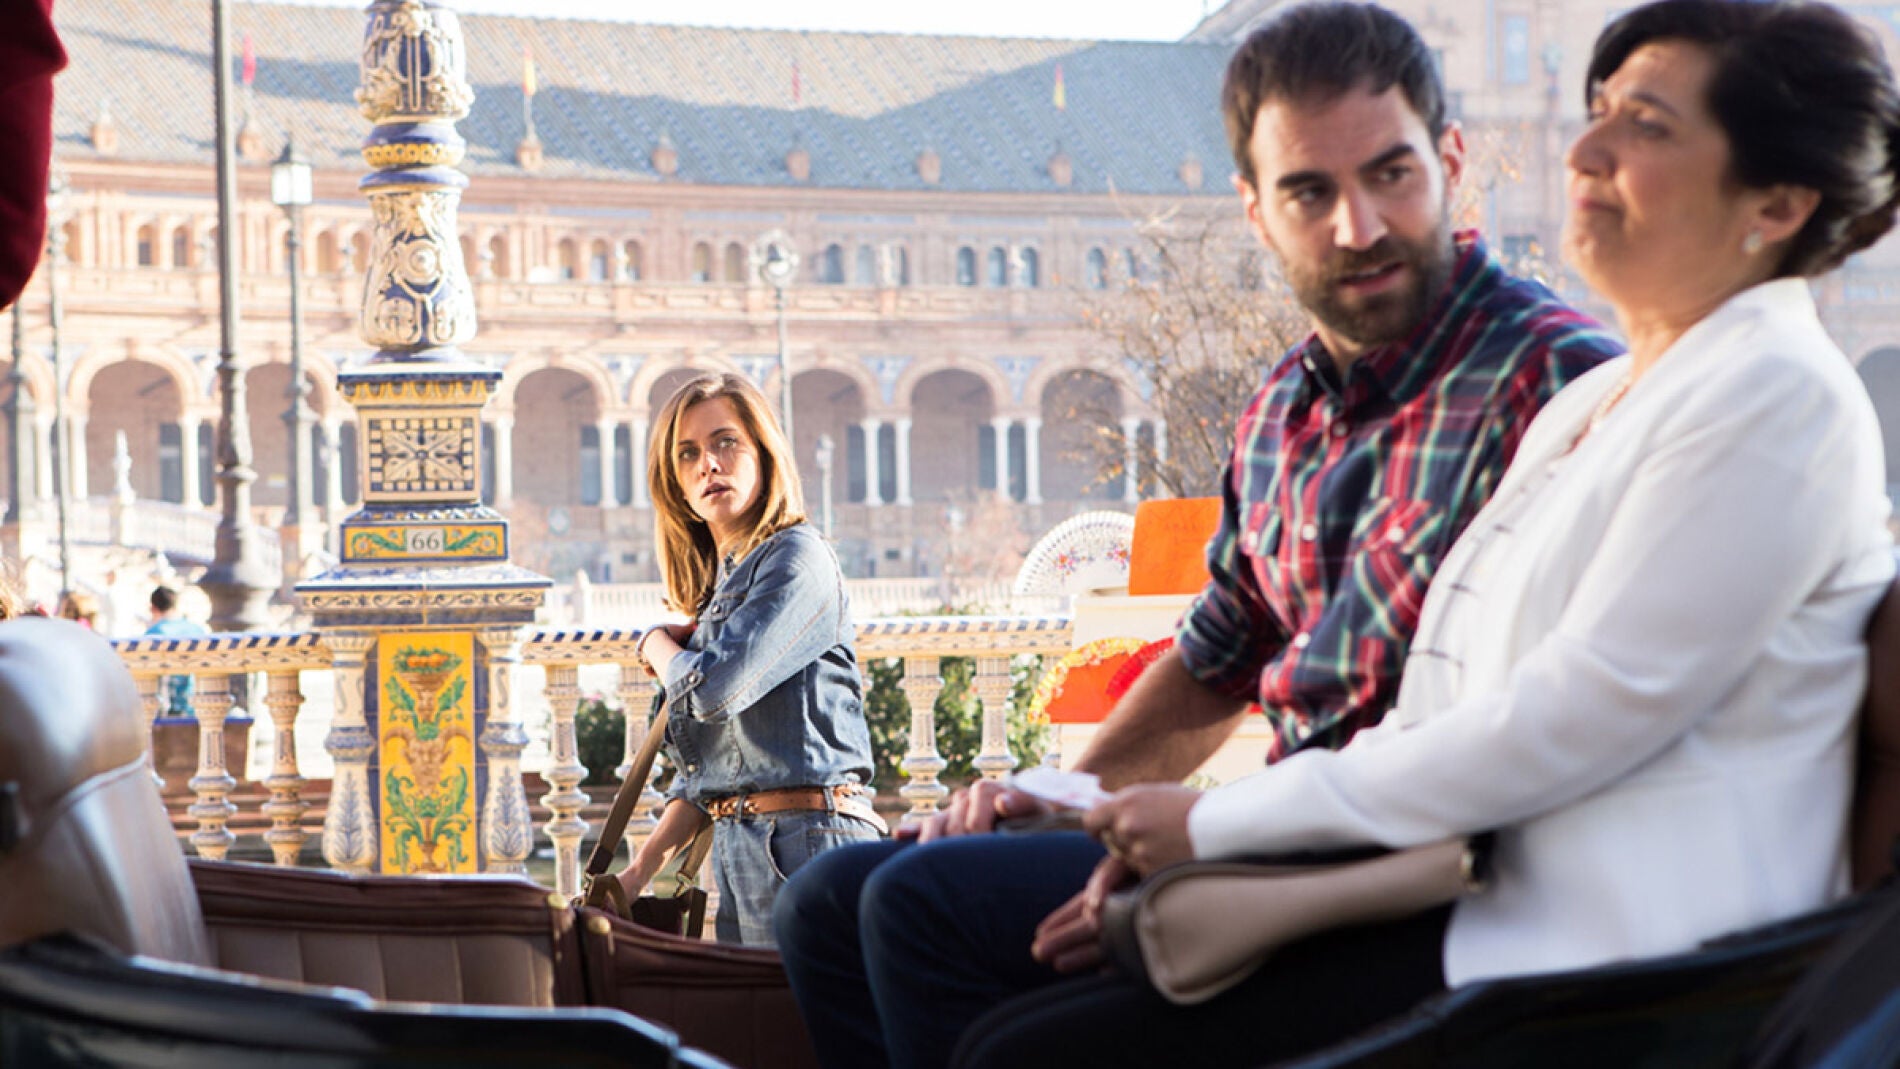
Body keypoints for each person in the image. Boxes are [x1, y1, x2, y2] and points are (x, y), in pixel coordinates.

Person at [949, 0, 1899, 1065]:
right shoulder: (1600, 403)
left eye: (1644, 124)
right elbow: (1444, 695)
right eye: (1597, 111)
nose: (1581, 149)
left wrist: (1211, 829)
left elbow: (1567, 718)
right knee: (1004, 1023)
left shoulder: (1775, 395)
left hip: (1634, 987)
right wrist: (1176, 821)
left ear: (1773, 203)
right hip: (1492, 929)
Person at [772, 6, 1620, 1067]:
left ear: (1451, 164)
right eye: (1310, 191)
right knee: (823, 900)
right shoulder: (1281, 412)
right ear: (1256, 211)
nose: (1357, 224)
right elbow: (1216, 656)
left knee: (923, 914)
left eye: (1390, 174)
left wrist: (1211, 845)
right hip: (1269, 836)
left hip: (1418, 874)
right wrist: (1061, 794)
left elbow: (1568, 721)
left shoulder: (1557, 379)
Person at [616, 372, 884, 946]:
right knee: (759, 1032)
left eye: (725, 442)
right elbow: (705, 778)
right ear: (675, 484)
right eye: (687, 454)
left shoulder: (797, 559)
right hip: (742, 850)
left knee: (808, 1032)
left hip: (810, 842)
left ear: (763, 453)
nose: (708, 463)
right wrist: (638, 873)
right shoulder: (722, 590)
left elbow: (714, 692)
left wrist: (655, 645)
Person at [144, 586, 207, 716]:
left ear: (153, 608)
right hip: (198, 702)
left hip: (168, 706)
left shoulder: (154, 634)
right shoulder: (196, 630)